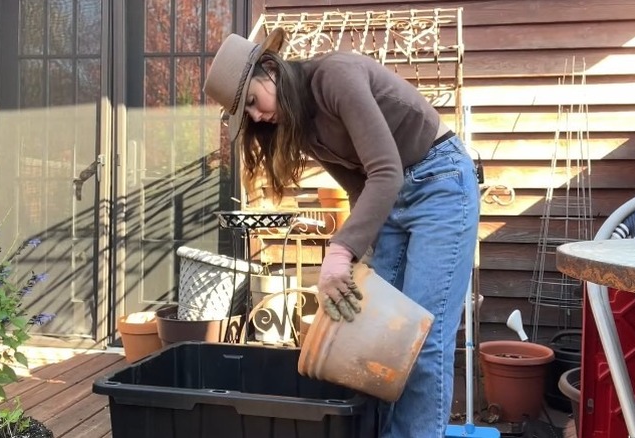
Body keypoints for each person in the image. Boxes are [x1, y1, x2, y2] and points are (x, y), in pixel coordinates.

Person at [204, 28, 480, 438]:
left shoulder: (335, 77)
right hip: (392, 201)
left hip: (438, 184)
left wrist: (337, 252)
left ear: (269, 69)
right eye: (248, 116)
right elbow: (357, 186)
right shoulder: (302, 123)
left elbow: (384, 171)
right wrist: (358, 251)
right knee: (379, 338)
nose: (258, 117)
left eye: (252, 103)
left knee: (421, 338)